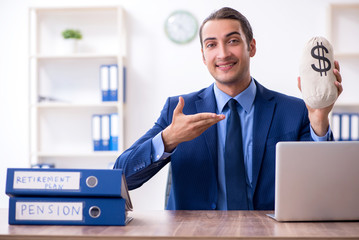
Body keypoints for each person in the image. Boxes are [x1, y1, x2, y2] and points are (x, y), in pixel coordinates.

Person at [114, 7, 343, 210]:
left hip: (269, 235)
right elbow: (121, 177)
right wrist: (168, 139)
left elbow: (324, 185)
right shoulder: (179, 110)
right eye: (211, 45)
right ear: (203, 56)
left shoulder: (294, 111)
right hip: (194, 236)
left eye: (232, 41)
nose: (222, 54)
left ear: (251, 47)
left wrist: (319, 119)